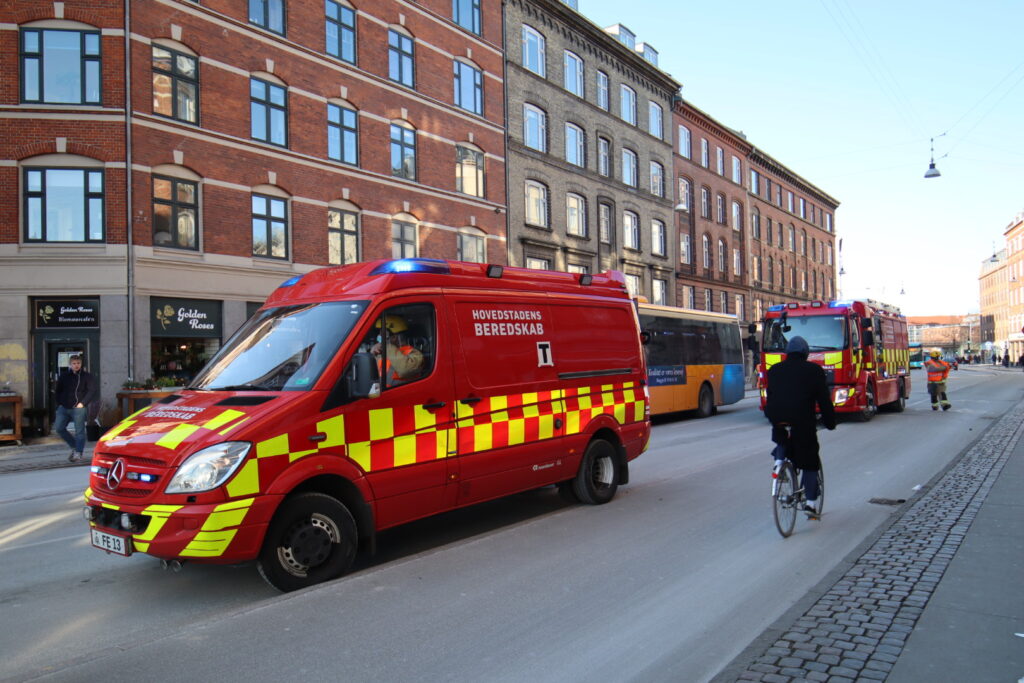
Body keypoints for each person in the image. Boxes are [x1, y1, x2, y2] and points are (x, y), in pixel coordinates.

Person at [764, 336, 837, 519]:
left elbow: (771, 396)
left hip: (777, 416)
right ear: (806, 353)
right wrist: (830, 422)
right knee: (810, 458)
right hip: (802, 419)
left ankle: (779, 463)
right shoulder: (814, 370)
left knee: (781, 434)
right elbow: (823, 400)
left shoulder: (774, 370)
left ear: (787, 353)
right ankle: (810, 504)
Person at [53, 354, 99, 462]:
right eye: (74, 363)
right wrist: (59, 403)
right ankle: (75, 446)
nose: (76, 365)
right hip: (64, 407)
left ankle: (78, 452)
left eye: (78, 363)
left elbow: (92, 390)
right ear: (70, 364)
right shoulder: (64, 376)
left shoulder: (87, 376)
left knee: (79, 431)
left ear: (81, 364)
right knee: (59, 428)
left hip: (79, 407)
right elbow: (58, 390)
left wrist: (83, 403)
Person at [371, 314, 424, 385]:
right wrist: (373, 355)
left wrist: (386, 346)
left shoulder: (416, 355)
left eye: (382, 334)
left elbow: (404, 370)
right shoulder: (384, 352)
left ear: (394, 337)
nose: (379, 337)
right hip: (384, 392)